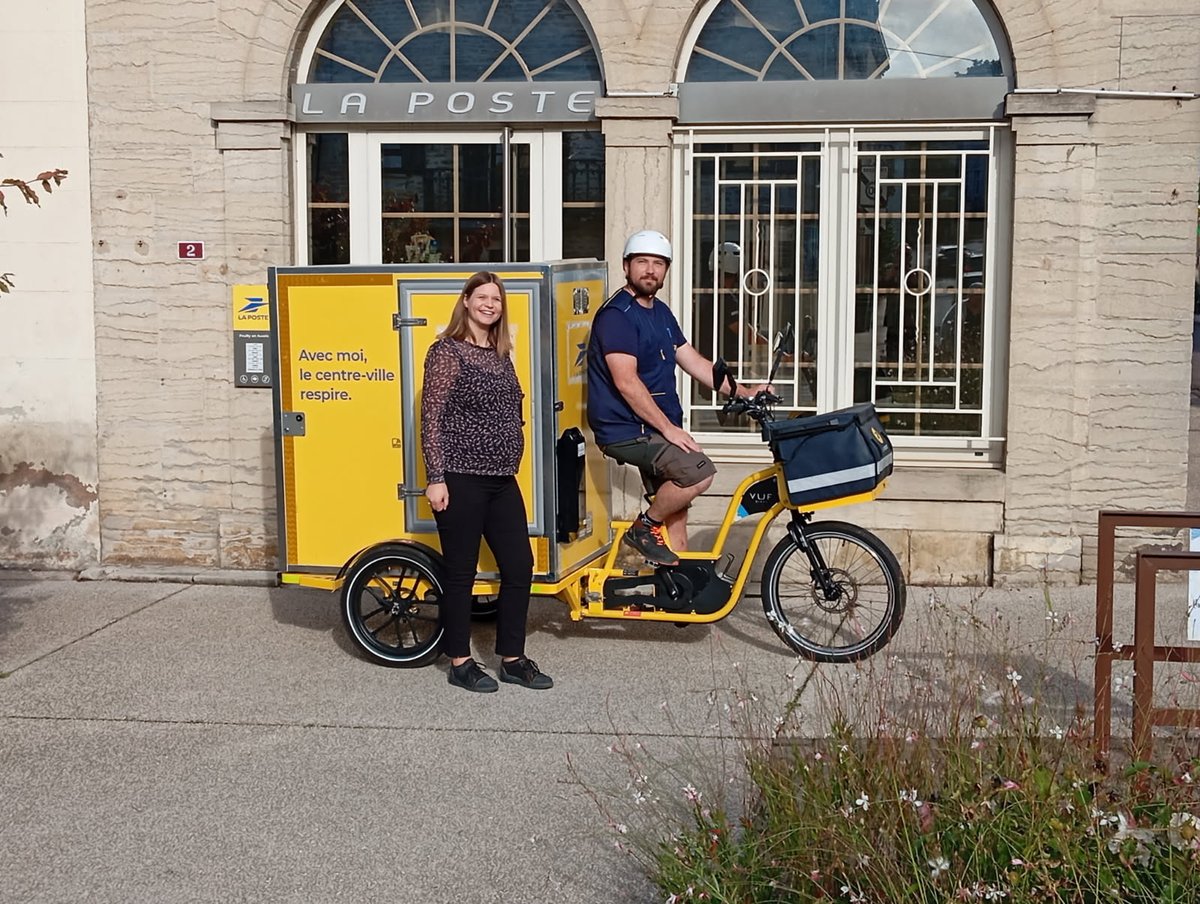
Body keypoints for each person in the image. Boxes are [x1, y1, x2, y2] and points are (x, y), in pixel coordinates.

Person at [586, 230, 765, 567]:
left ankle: (680, 594)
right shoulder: (616, 316)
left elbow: (694, 362)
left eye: (658, 263)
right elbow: (626, 382)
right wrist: (669, 429)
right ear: (626, 267)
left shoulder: (661, 313)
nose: (650, 270)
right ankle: (643, 528)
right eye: (642, 262)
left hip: (653, 426)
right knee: (698, 472)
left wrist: (744, 392)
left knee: (676, 515)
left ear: (666, 270)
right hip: (627, 430)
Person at [421, 271, 552, 693]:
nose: (490, 304)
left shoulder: (499, 353)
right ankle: (460, 661)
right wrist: (436, 477)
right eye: (482, 297)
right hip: (460, 478)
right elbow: (432, 418)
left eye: (496, 298)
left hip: (500, 479)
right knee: (460, 573)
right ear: (466, 301)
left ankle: (512, 658)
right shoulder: (447, 352)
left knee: (519, 566)